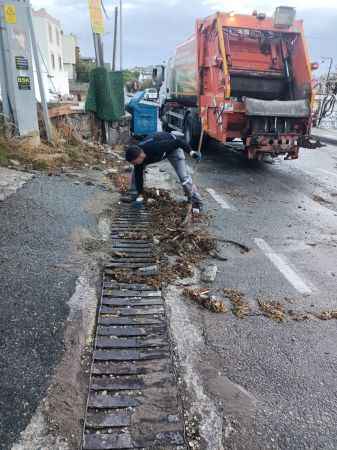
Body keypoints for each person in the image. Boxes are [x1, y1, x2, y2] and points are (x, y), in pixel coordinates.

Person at [125, 131, 203, 212]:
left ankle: (196, 201)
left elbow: (179, 142)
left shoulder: (155, 147)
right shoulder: (137, 157)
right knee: (136, 171)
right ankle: (134, 194)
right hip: (159, 150)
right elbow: (139, 177)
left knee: (183, 177)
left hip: (173, 148)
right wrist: (140, 194)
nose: (134, 164)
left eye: (134, 162)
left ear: (140, 156)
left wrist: (192, 152)